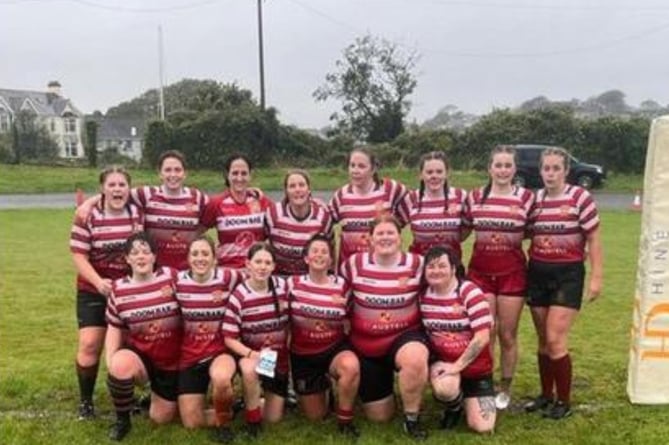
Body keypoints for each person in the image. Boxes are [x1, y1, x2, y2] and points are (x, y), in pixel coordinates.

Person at [524, 146, 603, 419]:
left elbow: (593, 238)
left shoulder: (580, 197)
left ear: (566, 171)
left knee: (556, 338)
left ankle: (564, 401)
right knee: (543, 340)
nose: (551, 173)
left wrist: (596, 276)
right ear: (540, 171)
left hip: (567, 275)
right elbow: (524, 231)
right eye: (546, 168)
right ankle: (546, 395)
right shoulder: (534, 200)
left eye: (557, 168)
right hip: (537, 272)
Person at [340, 215, 429, 439]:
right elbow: (341, 295)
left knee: (415, 357)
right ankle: (387, 388)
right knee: (380, 417)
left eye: (391, 233)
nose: (385, 237)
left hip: (404, 337)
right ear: (370, 239)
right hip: (367, 346)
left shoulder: (417, 264)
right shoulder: (354, 264)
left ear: (400, 238)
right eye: (380, 233)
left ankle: (411, 418)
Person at [69, 166, 142, 420]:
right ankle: (86, 402)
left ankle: (125, 399)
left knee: (124, 346)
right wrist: (99, 282)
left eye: (122, 185)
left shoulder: (137, 211)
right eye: (111, 185)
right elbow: (79, 255)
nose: (117, 189)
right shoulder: (88, 214)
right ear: (102, 188)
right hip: (93, 288)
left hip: (127, 292)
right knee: (90, 343)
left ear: (129, 189)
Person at [464, 145, 534, 407]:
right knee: (485, 332)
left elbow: (532, 231)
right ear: (489, 168)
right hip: (480, 274)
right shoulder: (474, 198)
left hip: (512, 274)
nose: (503, 170)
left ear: (514, 169)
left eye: (508, 165)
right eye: (498, 165)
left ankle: (505, 386)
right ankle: (483, 383)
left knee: (507, 334)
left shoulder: (526, 198)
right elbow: (462, 230)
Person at [104, 232, 182, 441]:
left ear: (154, 257)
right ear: (127, 259)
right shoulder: (119, 289)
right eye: (135, 253)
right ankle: (123, 421)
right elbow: (114, 327)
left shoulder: (172, 277)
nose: (141, 257)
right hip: (143, 358)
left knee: (161, 418)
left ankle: (154, 398)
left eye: (146, 252)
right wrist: (111, 363)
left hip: (173, 363)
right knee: (119, 365)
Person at [76, 150, 209, 270]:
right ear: (160, 174)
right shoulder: (146, 194)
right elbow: (117, 192)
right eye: (167, 170)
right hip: (154, 269)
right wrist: (87, 204)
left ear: (185, 173)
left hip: (187, 268)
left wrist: (193, 235)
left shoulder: (197, 197)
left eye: (177, 170)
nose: (173, 174)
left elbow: (212, 217)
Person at [288, 234, 360, 437]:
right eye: (315, 251)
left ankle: (345, 421)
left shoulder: (342, 286)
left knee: (351, 366)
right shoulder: (291, 285)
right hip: (304, 357)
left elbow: (349, 320)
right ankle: (325, 388)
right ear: (306, 258)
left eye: (324, 252)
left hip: (333, 350)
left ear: (330, 260)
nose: (319, 255)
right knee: (316, 417)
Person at [420, 246, 496, 434]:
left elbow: (482, 337)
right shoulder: (423, 296)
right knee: (446, 389)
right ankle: (454, 406)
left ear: (454, 269)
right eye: (431, 267)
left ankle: (470, 394)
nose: (436, 271)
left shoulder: (470, 292)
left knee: (483, 427)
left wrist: (457, 367)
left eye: (442, 266)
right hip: (444, 362)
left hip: (476, 368)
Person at [175, 236, 243, 443]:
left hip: (220, 352)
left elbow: (257, 279)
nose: (200, 258)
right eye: (195, 254)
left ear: (215, 259)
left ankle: (223, 423)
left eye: (205, 254)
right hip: (190, 357)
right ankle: (241, 406)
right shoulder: (177, 281)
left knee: (221, 380)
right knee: (192, 422)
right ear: (188, 258)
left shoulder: (229, 277)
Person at [222, 243, 290, 437]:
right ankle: (253, 423)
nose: (262, 266)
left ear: (274, 266)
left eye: (267, 262)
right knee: (250, 369)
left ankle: (249, 400)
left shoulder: (283, 287)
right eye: (258, 261)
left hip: (278, 360)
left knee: (274, 418)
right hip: (252, 355)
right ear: (247, 265)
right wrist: (253, 354)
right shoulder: (240, 295)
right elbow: (229, 338)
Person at [330, 147, 407, 267]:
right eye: (352, 165)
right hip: (350, 270)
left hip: (383, 267)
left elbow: (413, 205)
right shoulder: (341, 195)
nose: (355, 171)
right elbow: (324, 222)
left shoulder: (390, 189)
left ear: (373, 169)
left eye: (361, 166)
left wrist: (394, 226)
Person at [202, 154, 272, 269]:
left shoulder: (261, 200)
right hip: (227, 270)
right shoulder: (216, 203)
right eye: (235, 173)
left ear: (250, 175)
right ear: (227, 175)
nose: (239, 178)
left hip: (256, 270)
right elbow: (196, 232)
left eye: (244, 173)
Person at [399, 151, 468, 259]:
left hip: (451, 267)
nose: (434, 176)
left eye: (439, 172)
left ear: (447, 173)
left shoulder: (461, 196)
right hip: (421, 267)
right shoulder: (411, 199)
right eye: (429, 172)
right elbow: (393, 227)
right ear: (421, 175)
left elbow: (468, 228)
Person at [265, 170, 333, 275]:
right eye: (292, 186)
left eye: (301, 185)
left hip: (309, 278)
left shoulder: (323, 217)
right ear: (286, 191)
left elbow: (329, 250)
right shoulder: (273, 214)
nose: (297, 190)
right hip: (279, 276)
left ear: (309, 189)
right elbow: (261, 243)